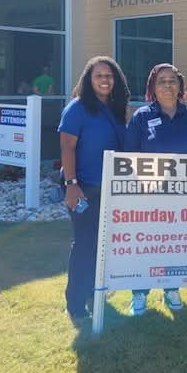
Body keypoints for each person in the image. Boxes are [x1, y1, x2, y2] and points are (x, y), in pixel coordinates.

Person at [126, 63, 187, 315]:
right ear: (153, 87)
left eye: (172, 80)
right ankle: (139, 293)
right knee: (147, 243)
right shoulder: (142, 116)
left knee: (175, 243)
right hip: (150, 196)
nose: (167, 85)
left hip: (185, 195)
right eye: (161, 81)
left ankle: (171, 288)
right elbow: (130, 156)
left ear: (180, 86)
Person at [58, 56, 130, 322]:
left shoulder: (116, 108)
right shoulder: (77, 108)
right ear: (88, 79)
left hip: (109, 188)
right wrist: (71, 185)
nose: (104, 80)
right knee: (85, 244)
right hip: (84, 187)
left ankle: (93, 294)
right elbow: (67, 147)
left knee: (102, 245)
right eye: (98, 75)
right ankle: (75, 304)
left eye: (109, 75)